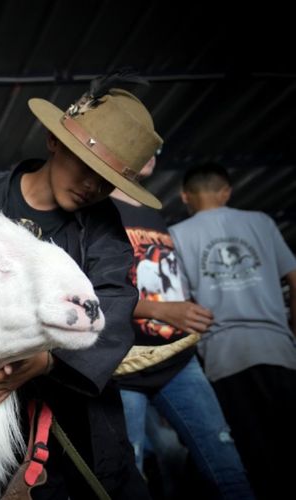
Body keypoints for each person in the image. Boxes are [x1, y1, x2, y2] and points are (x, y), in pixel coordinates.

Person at [0, 76, 159, 499]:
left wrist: (46, 361)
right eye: (86, 167)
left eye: (106, 180)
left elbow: (114, 304)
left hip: (74, 417)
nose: (92, 187)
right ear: (53, 142)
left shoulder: (103, 228)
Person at [110, 156, 254, 499]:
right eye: (140, 144)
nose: (152, 153)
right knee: (124, 479)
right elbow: (94, 294)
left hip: (178, 360)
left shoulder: (151, 210)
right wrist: (162, 311)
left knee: (227, 466)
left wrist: (184, 311)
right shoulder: (94, 210)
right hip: (123, 365)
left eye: (156, 146)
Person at [169, 162, 296, 500]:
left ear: (185, 196)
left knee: (246, 455)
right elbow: (294, 277)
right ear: (227, 192)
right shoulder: (262, 222)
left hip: (223, 356)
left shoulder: (178, 234)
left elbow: (181, 303)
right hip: (279, 350)